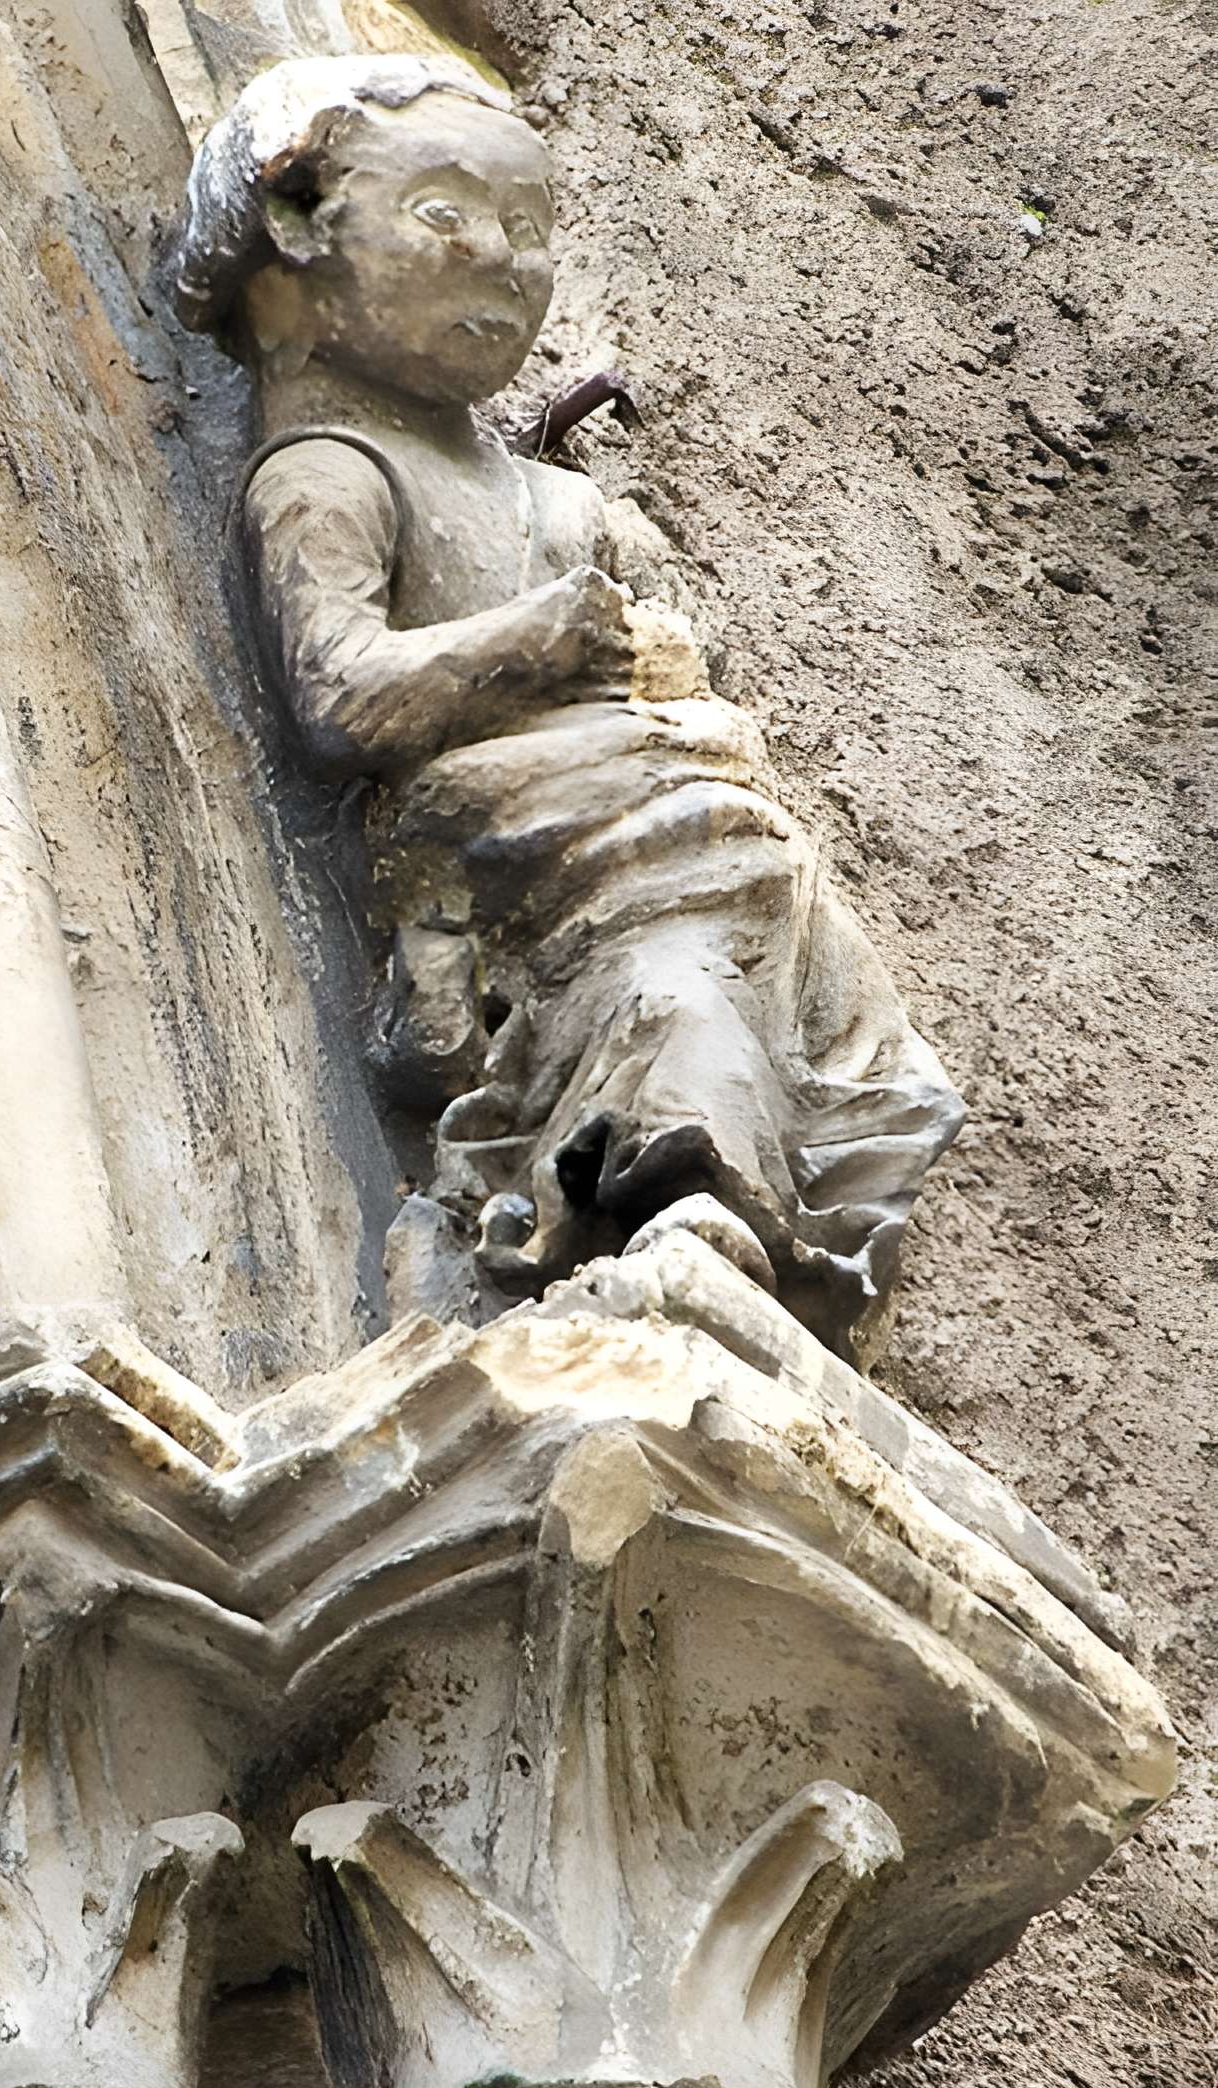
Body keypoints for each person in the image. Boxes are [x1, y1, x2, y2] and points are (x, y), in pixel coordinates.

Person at [176, 56, 963, 1349]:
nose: (500, 256)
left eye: (529, 230)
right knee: (664, 995)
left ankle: (759, 1203)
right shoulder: (325, 476)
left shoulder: (556, 499)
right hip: (552, 864)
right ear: (299, 225)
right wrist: (541, 638)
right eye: (445, 215)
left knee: (768, 987)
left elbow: (651, 653)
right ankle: (677, 1204)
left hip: (700, 839)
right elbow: (340, 697)